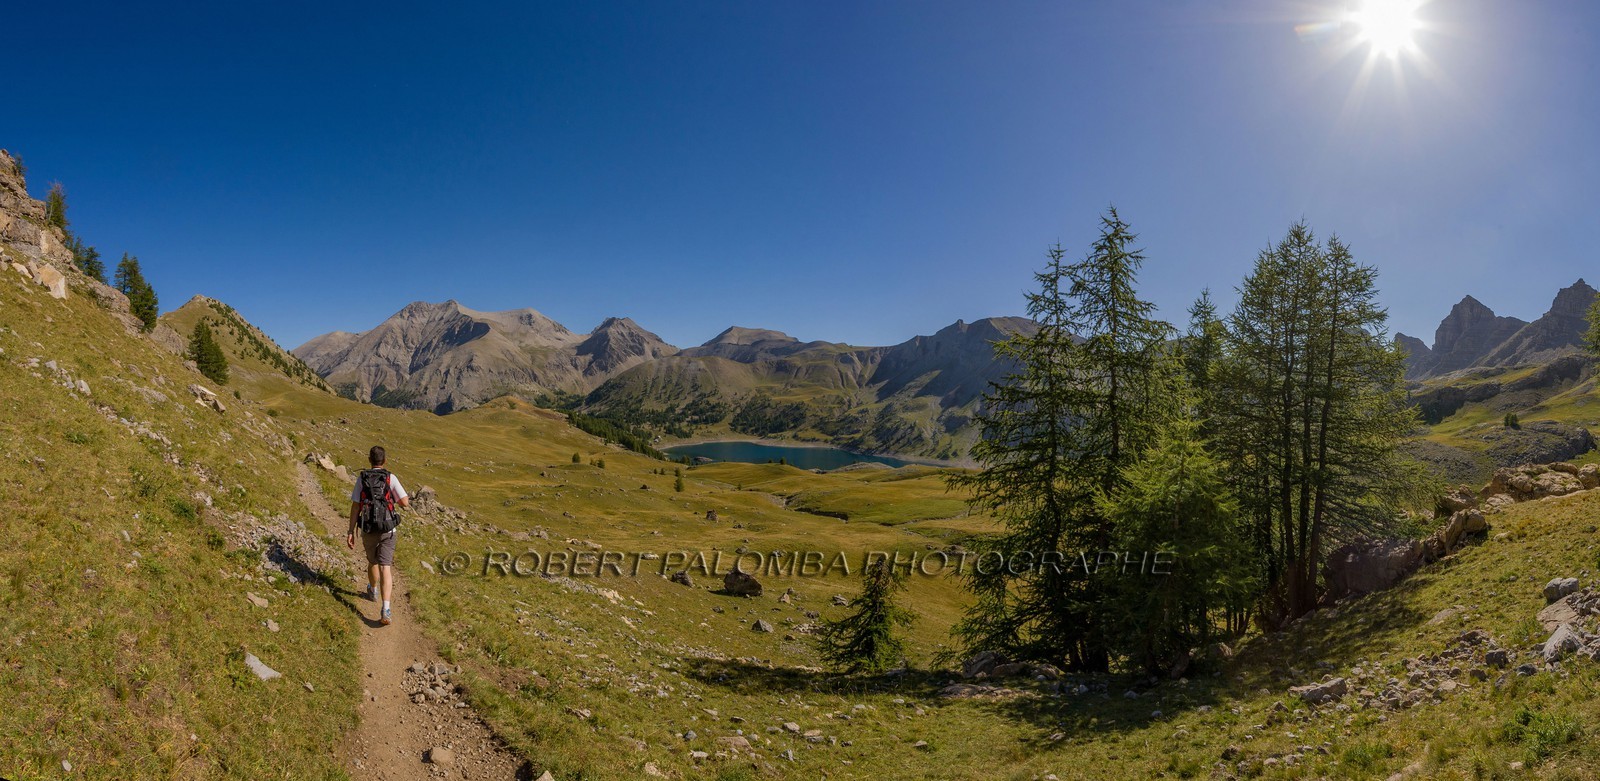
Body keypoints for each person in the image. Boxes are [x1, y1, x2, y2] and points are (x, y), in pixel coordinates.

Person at [347, 445, 410, 625]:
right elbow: (405, 502)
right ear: (385, 461)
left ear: (369, 460)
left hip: (368, 529)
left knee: (372, 562)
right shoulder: (391, 478)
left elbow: (355, 506)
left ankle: (372, 590)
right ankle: (386, 609)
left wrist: (351, 530)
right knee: (386, 567)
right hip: (388, 529)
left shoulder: (362, 478)